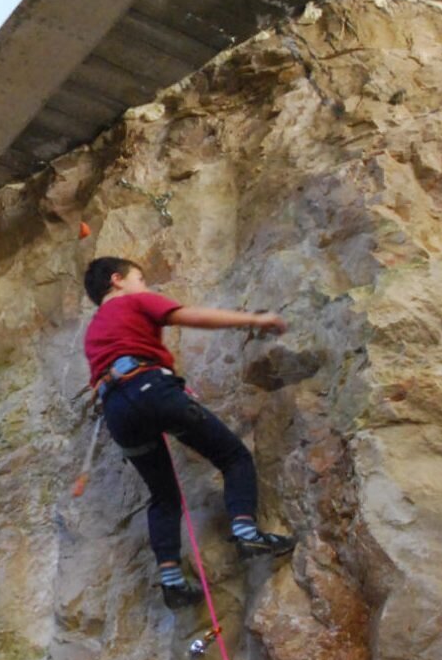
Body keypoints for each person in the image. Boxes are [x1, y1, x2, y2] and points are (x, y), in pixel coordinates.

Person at [82, 256, 296, 609]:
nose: (145, 286)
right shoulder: (134, 301)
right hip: (151, 388)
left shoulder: (93, 332)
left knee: (163, 496)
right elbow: (191, 316)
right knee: (233, 457)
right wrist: (254, 319)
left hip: (118, 412)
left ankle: (172, 582)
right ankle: (247, 533)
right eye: (141, 278)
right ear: (117, 280)